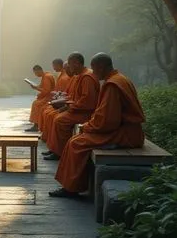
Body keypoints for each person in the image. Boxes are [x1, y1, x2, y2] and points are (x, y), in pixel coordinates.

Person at [50, 53, 145, 198]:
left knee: (76, 143)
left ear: (101, 67)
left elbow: (107, 121)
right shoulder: (118, 79)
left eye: (94, 69)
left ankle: (71, 188)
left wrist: (88, 126)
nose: (93, 73)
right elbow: (106, 115)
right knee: (76, 138)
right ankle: (73, 183)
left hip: (126, 134)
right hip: (124, 130)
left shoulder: (112, 84)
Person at [44, 52, 99, 161]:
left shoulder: (87, 76)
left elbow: (87, 101)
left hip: (85, 112)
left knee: (60, 120)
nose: (68, 68)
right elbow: (75, 96)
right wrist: (65, 103)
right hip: (78, 109)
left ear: (76, 63)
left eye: (69, 65)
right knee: (56, 116)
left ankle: (59, 152)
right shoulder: (80, 76)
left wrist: (69, 107)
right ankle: (55, 149)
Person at [40, 61, 75, 143]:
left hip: (73, 108)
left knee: (53, 116)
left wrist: (63, 107)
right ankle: (48, 139)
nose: (67, 72)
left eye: (68, 69)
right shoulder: (70, 77)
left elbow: (78, 100)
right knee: (47, 112)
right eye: (65, 69)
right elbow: (67, 93)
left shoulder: (68, 78)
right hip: (66, 103)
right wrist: (59, 95)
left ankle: (53, 145)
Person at [37, 58, 70, 132]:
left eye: (54, 66)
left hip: (65, 103)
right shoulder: (62, 75)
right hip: (60, 100)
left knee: (46, 111)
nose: (53, 68)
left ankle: (43, 131)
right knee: (45, 110)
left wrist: (57, 97)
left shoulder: (65, 77)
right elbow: (64, 92)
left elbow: (48, 91)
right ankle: (42, 131)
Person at [25, 64, 56, 132]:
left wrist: (36, 88)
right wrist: (36, 87)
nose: (36, 75)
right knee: (36, 102)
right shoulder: (45, 76)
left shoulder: (47, 77)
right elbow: (42, 87)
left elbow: (46, 91)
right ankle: (36, 124)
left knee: (36, 104)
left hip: (49, 98)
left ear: (39, 70)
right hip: (48, 96)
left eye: (35, 73)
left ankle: (36, 125)